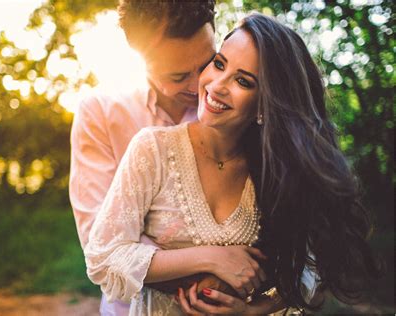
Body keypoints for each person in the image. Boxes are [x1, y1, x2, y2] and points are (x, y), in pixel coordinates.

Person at [85, 13, 382, 315]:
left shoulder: (276, 170)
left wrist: (256, 310)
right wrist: (211, 258)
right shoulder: (152, 149)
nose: (217, 85)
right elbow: (104, 257)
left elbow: (314, 265)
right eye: (219, 63)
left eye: (243, 81)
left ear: (266, 103)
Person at [70, 1, 262, 315]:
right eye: (177, 76)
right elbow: (100, 239)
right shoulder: (101, 113)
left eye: (207, 63)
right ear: (140, 58)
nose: (201, 84)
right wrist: (213, 264)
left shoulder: (236, 112)